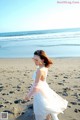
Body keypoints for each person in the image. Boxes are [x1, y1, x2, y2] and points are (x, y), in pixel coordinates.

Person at [24, 50, 68, 120]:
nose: (34, 61)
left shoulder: (39, 70)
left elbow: (36, 86)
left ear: (42, 59)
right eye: (33, 59)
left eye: (36, 60)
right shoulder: (44, 67)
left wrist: (28, 96)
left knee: (41, 109)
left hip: (40, 91)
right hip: (45, 88)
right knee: (47, 105)